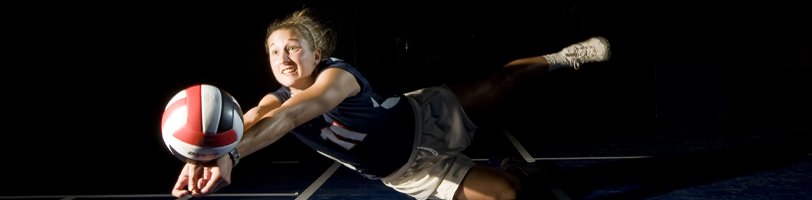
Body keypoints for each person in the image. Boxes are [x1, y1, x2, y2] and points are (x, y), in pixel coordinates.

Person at [170, 8, 610, 200]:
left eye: (294, 47)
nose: (284, 58)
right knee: (510, 193)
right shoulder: (274, 99)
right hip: (411, 172)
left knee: (502, 81)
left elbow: (294, 114)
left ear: (315, 53)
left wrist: (231, 153)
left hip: (426, 117)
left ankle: (563, 57)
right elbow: (253, 118)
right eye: (274, 52)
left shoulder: (335, 76)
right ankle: (518, 170)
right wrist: (212, 152)